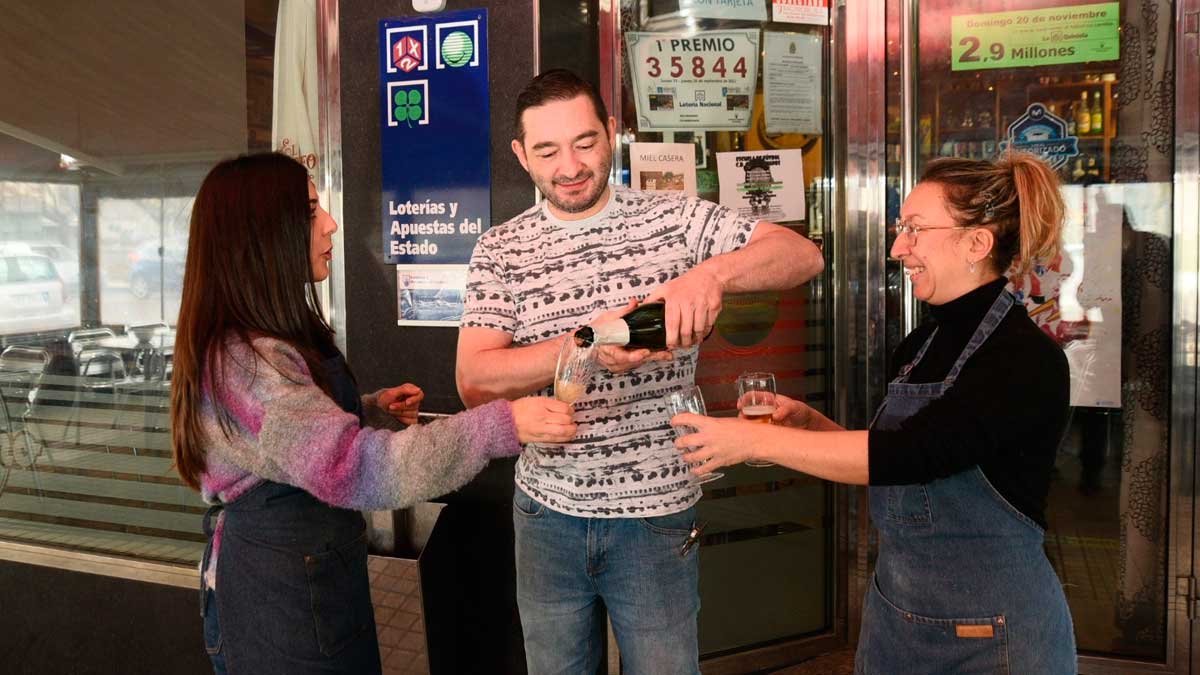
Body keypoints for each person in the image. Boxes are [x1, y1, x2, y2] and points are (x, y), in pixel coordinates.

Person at [455, 69, 824, 673]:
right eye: (547, 150)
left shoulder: (673, 218)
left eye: (585, 142)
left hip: (656, 514)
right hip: (546, 513)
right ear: (522, 155)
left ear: (612, 132)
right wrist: (588, 344)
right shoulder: (501, 249)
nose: (569, 166)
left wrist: (710, 274)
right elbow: (475, 381)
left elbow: (801, 254)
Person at [170, 153, 576, 674]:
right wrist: (503, 424)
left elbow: (284, 440)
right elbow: (352, 469)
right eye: (312, 210)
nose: (330, 223)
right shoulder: (245, 363)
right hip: (278, 598)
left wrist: (367, 412)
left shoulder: (264, 343)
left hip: (316, 578)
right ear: (264, 232)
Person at [672, 152, 1077, 674]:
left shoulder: (1023, 359)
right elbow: (905, 472)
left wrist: (751, 441)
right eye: (899, 228)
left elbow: (912, 453)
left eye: (914, 230)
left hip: (993, 635)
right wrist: (810, 426)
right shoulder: (922, 342)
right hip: (896, 623)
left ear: (977, 243)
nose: (897, 247)